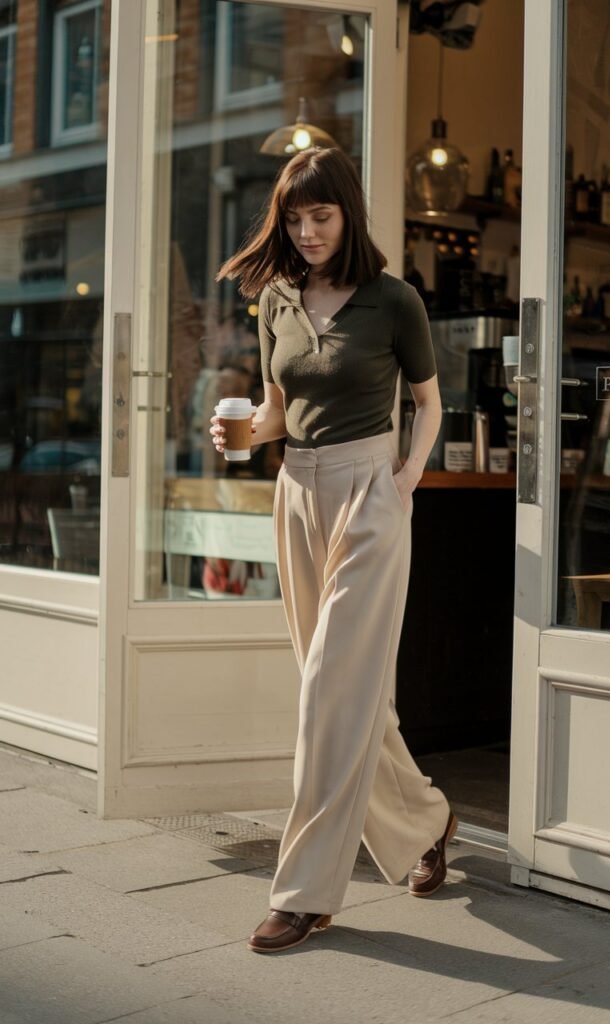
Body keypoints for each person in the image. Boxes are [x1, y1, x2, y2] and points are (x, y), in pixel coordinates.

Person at [210, 146, 456, 954]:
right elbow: (280, 409)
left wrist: (407, 479)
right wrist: (242, 431)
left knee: (328, 692)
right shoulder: (276, 299)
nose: (308, 231)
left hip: (370, 494)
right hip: (297, 494)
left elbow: (428, 401)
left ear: (347, 213)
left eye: (321, 215)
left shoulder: (393, 301)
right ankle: (428, 818)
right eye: (294, 217)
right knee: (351, 695)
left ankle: (305, 892)